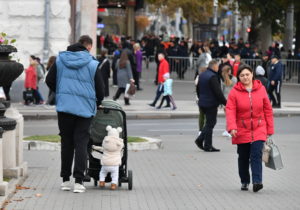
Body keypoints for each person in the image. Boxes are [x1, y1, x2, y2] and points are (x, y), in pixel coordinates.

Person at [46, 35, 105, 193]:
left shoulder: (60, 61)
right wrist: (97, 102)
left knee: (66, 143)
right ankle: (79, 181)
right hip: (85, 110)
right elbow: (101, 89)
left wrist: (61, 92)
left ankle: (65, 180)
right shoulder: (92, 64)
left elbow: (49, 80)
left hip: (64, 108)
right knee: (81, 143)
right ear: (87, 48)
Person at [225, 64, 274, 192]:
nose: (245, 77)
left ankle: (257, 181)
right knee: (243, 157)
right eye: (242, 75)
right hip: (242, 129)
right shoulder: (234, 92)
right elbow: (230, 110)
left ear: (252, 74)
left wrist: (269, 130)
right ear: (239, 77)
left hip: (259, 128)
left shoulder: (261, 89)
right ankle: (245, 180)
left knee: (256, 154)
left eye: (247, 74)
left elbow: (268, 110)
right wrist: (232, 127)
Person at [195, 60, 227, 152]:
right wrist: (226, 103)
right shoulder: (213, 76)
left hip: (202, 102)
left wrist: (201, 98)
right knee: (210, 123)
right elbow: (218, 92)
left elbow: (198, 89)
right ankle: (203, 141)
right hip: (211, 104)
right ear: (214, 67)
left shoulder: (202, 75)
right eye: (217, 66)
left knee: (209, 123)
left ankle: (206, 144)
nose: (218, 68)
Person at [221, 65, 237, 137]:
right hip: (232, 99)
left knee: (228, 116)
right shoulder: (234, 78)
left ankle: (227, 130)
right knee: (232, 116)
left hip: (225, 99)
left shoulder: (222, 79)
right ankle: (229, 130)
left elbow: (221, 90)